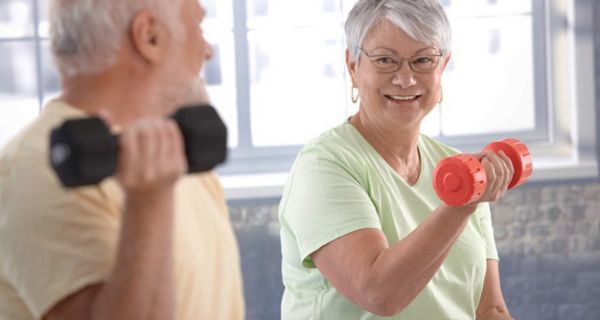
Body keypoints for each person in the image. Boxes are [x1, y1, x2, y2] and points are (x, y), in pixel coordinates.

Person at [0, 0, 244, 319]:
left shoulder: (174, 156)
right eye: (198, 26)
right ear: (149, 37)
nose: (207, 51)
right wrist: (148, 201)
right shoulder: (36, 173)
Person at [279, 0, 514, 319]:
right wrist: (461, 203)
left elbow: (490, 310)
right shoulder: (323, 167)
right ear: (353, 66)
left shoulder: (459, 168)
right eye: (386, 60)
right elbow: (378, 294)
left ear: (442, 67)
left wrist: (467, 197)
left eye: (422, 60)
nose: (406, 79)